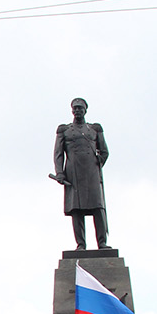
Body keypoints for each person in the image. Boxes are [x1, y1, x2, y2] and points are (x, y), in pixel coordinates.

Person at [51, 97, 110, 249]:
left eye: (80, 108)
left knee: (98, 208)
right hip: (73, 173)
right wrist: (60, 173)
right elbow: (58, 153)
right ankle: (81, 244)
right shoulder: (64, 130)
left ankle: (102, 242)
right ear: (72, 110)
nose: (77, 110)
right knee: (76, 210)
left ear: (85, 110)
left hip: (91, 172)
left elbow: (104, 151)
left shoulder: (94, 129)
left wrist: (98, 162)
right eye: (75, 108)